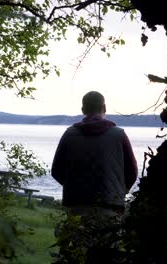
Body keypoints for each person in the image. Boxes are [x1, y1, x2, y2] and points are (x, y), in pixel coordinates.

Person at [51, 91, 137, 262]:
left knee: (77, 254)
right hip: (110, 207)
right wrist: (120, 192)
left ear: (83, 109)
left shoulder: (69, 134)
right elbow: (132, 172)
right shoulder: (119, 135)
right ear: (104, 108)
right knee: (106, 255)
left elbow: (56, 171)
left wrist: (74, 186)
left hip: (76, 205)